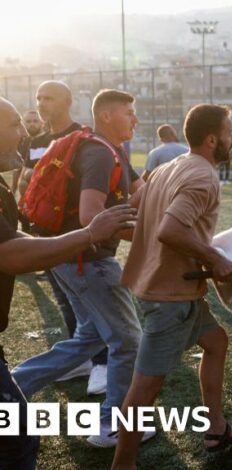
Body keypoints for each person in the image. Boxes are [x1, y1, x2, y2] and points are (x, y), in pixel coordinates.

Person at [113, 104, 232, 468]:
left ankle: (216, 428)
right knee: (144, 390)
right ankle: (122, 465)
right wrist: (215, 257)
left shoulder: (165, 168)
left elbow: (133, 210)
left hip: (174, 288)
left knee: (216, 341)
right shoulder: (202, 176)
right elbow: (169, 230)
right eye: (230, 132)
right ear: (212, 140)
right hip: (169, 297)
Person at [0, 96, 136, 470]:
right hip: (88, 262)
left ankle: (18, 383)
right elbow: (92, 217)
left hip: (72, 258)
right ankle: (112, 423)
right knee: (128, 340)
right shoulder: (99, 153)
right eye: (14, 124)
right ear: (106, 116)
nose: (25, 132)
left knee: (90, 336)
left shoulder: (111, 149)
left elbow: (141, 191)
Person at [22, 81, 111, 393]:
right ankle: (86, 359)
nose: (42, 103)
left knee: (91, 305)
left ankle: (102, 363)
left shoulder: (82, 138)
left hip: (74, 236)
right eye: (39, 97)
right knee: (65, 301)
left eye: (50, 97)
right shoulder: (35, 141)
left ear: (68, 101)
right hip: (43, 236)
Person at [11, 110, 44, 197]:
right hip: (25, 188)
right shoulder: (21, 142)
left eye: (35, 121)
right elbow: (18, 168)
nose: (32, 124)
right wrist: (13, 189)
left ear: (42, 123)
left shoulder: (49, 141)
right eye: (28, 121)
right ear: (23, 123)